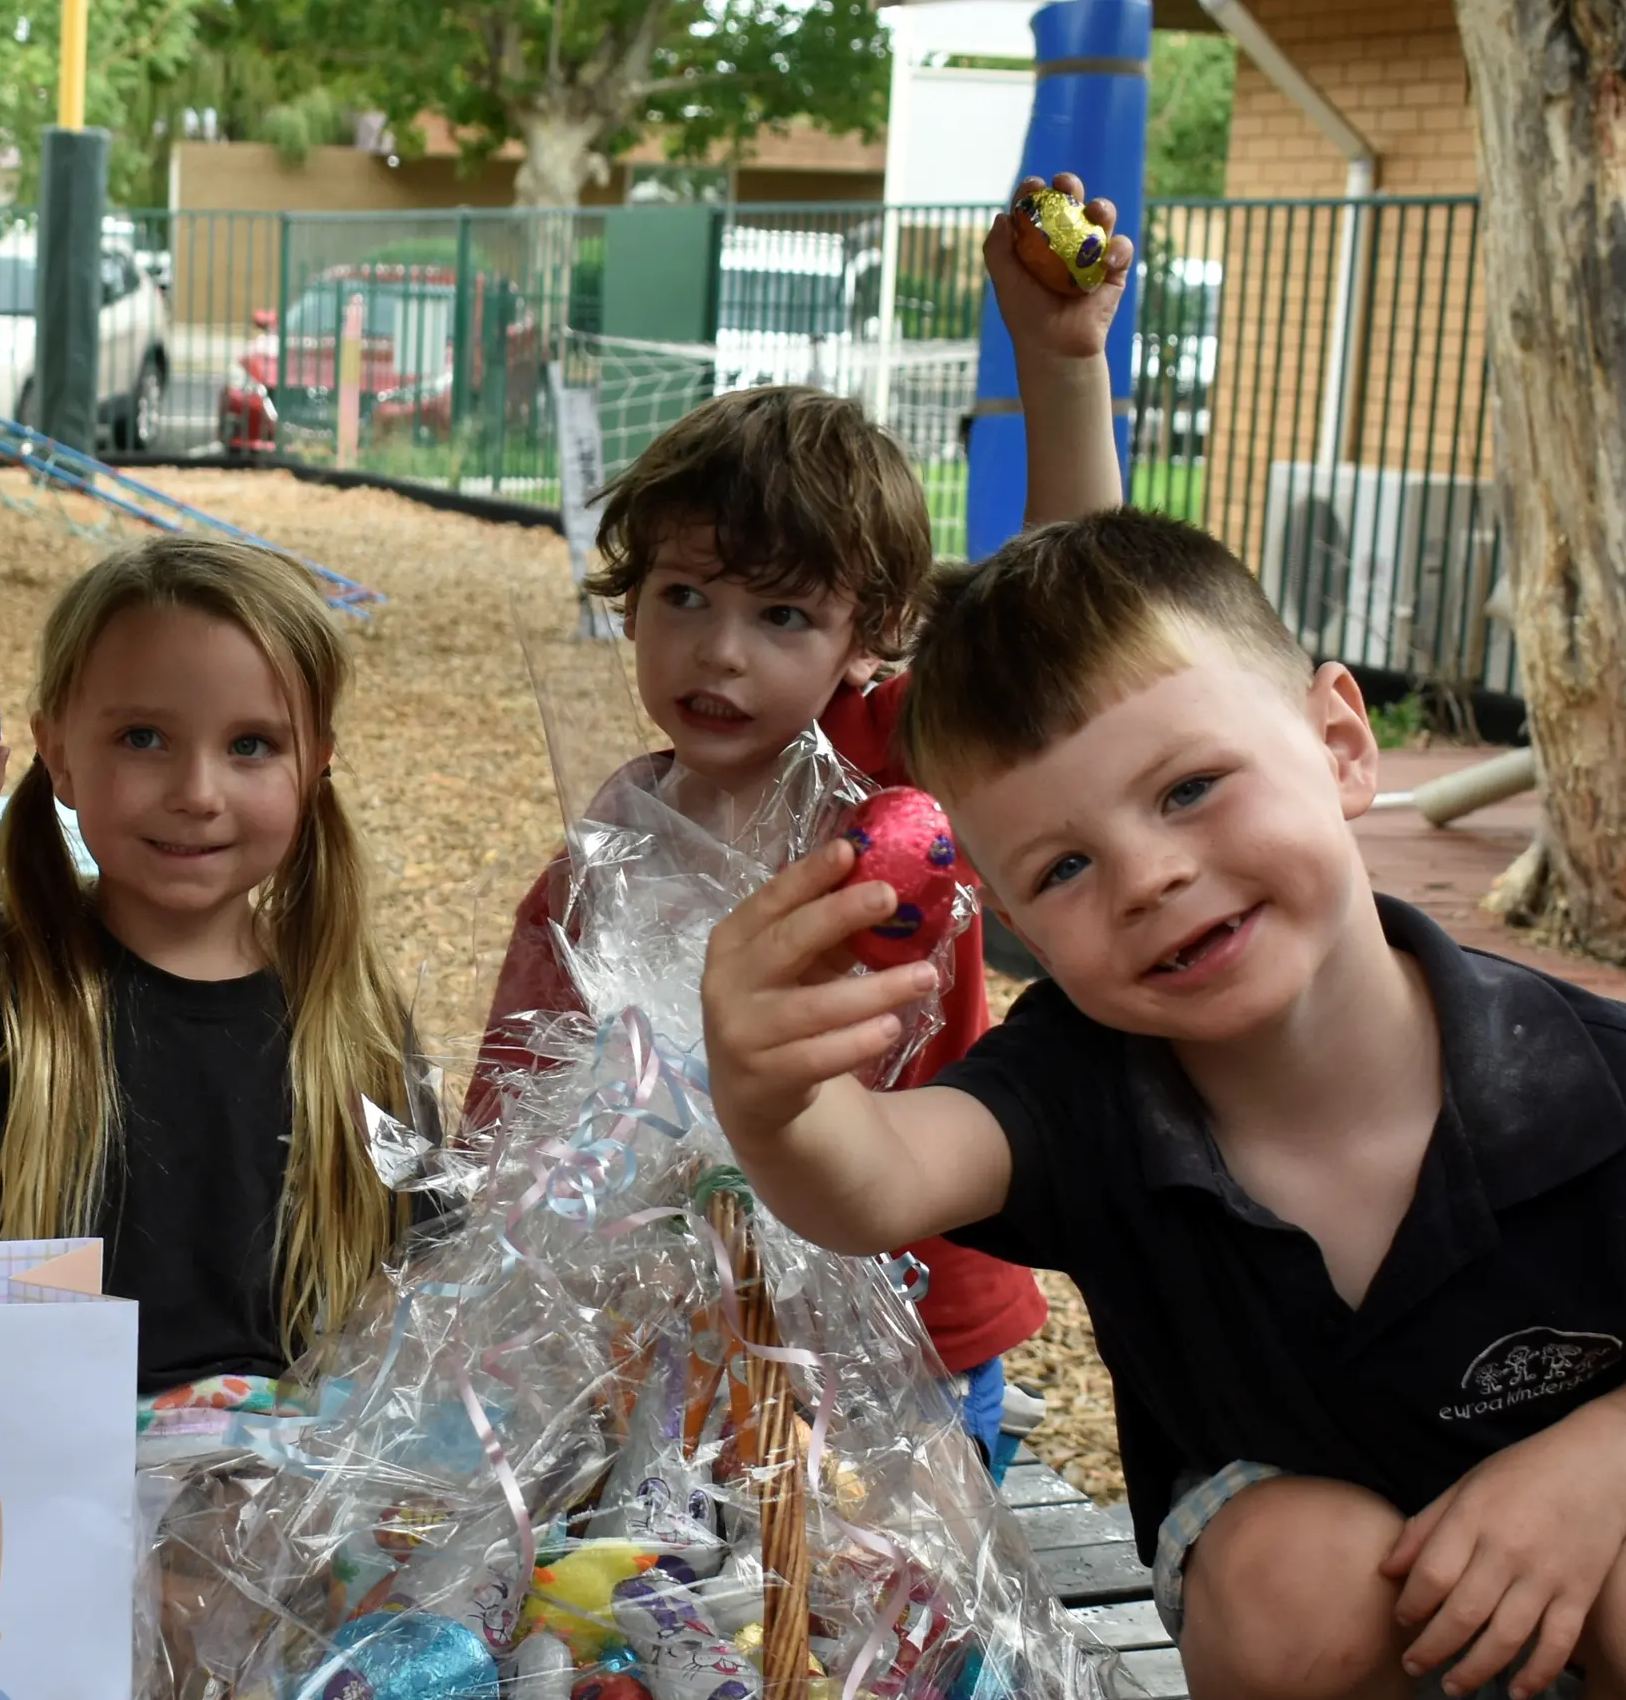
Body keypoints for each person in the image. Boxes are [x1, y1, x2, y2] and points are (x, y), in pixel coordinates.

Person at [698, 249, 1626, 1700]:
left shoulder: (1618, 1080)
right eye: (1060, 861)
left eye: (1196, 786)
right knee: (1280, 1569)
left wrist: (1583, 1482)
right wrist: (769, 1087)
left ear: (1339, 738)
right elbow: (876, 1184)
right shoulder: (1088, 1081)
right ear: (1012, 910)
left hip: (1620, 1546)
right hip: (1315, 1584)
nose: (1146, 875)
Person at [465, 186, 1141, 1462]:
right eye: (683, 595)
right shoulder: (605, 851)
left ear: (867, 634)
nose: (719, 653)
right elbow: (516, 1096)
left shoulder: (886, 766)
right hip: (677, 1352)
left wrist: (1063, 373)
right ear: (629, 599)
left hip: (910, 1321)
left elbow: (1073, 635)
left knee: (898, 1630)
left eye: (783, 616)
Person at [0, 535, 429, 1458]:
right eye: (143, 739)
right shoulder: (13, 978)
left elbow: (420, 1300)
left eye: (251, 745)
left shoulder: (355, 1020)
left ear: (317, 762)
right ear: (57, 752)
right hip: (13, 1499)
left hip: (273, 1528)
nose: (196, 792)